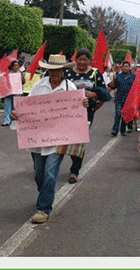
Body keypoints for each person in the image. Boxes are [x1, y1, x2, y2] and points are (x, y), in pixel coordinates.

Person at [10, 55, 89, 224]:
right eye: (52, 70)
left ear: (63, 71)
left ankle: (44, 208)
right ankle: (44, 194)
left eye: (58, 70)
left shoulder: (70, 88)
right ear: (47, 70)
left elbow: (77, 110)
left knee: (50, 172)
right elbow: (27, 107)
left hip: (58, 139)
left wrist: (83, 105)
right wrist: (16, 114)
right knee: (39, 173)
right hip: (38, 139)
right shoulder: (39, 86)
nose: (54, 74)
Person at [64, 48, 110, 184]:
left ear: (89, 61)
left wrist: (94, 95)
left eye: (85, 59)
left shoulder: (95, 74)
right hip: (68, 113)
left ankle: (75, 170)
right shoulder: (67, 74)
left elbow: (105, 93)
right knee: (68, 139)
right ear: (76, 60)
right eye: (80, 59)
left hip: (86, 112)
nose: (82, 62)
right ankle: (73, 161)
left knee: (79, 140)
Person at [110, 61, 136, 137]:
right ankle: (115, 130)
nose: (125, 68)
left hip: (128, 100)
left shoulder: (133, 76)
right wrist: (112, 83)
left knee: (125, 115)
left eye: (126, 66)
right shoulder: (117, 76)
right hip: (119, 98)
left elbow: (135, 88)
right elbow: (113, 87)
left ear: (129, 68)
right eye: (123, 66)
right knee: (118, 113)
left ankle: (123, 129)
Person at [2, 60, 25, 127]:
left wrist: (22, 75)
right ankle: (6, 120)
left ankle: (15, 119)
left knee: (16, 106)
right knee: (7, 106)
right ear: (12, 67)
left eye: (17, 65)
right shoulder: (8, 73)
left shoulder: (20, 73)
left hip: (17, 92)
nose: (16, 67)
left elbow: (23, 82)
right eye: (15, 65)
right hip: (9, 92)